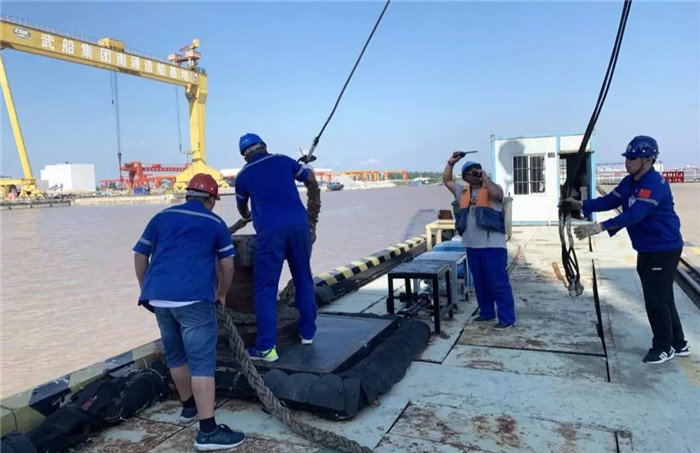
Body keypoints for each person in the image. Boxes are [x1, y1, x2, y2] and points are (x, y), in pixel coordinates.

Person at [133, 173, 246, 451]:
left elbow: (139, 255)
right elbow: (228, 265)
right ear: (211, 200)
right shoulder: (215, 223)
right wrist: (221, 293)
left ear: (187, 195)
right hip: (194, 301)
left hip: (159, 299)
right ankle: (207, 432)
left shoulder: (161, 217)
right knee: (202, 364)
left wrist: (147, 288)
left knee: (175, 356)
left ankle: (188, 408)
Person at [564, 135, 690, 365]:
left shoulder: (653, 184)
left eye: (632, 158)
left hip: (663, 248)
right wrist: (581, 204)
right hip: (648, 248)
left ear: (648, 160)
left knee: (655, 300)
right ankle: (679, 343)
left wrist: (601, 227)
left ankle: (663, 347)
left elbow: (635, 214)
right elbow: (609, 201)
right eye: (627, 158)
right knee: (664, 297)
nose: (627, 162)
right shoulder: (629, 182)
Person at [234, 133, 318, 362]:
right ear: (265, 146)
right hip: (299, 226)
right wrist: (304, 168)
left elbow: (242, 208)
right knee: (303, 278)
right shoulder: (283, 160)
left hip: (271, 233)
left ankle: (266, 348)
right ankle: (308, 334)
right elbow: (310, 179)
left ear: (244, 156)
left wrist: (249, 215)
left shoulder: (243, 176)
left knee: (266, 288)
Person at [442, 154, 516, 329]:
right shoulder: (463, 192)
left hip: (493, 247)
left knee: (498, 283)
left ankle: (507, 319)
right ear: (465, 177)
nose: (474, 172)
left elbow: (498, 194)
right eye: (470, 171)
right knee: (480, 283)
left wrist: (485, 179)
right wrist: (451, 163)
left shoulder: (491, 188)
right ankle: (486, 313)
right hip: (472, 246)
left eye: (476, 169)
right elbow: (447, 180)